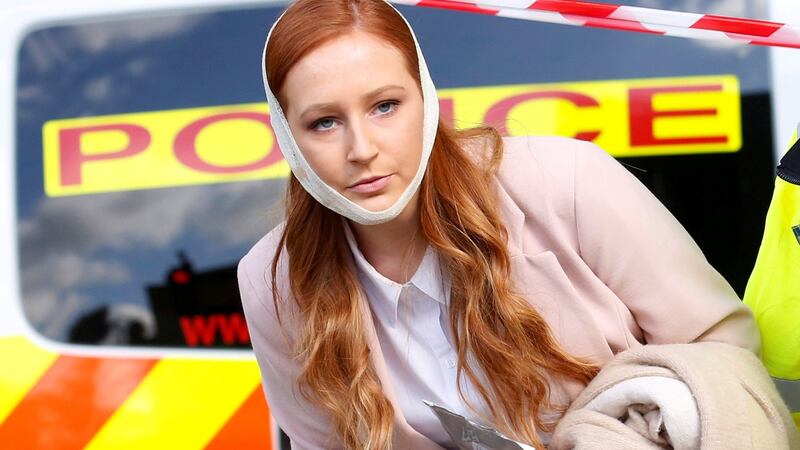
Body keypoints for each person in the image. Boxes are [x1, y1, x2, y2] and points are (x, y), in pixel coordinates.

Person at [237, 0, 760, 448]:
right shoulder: (272, 281)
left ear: (427, 98)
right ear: (287, 136)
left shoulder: (565, 181)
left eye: (385, 106)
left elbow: (720, 345)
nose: (362, 149)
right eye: (323, 122)